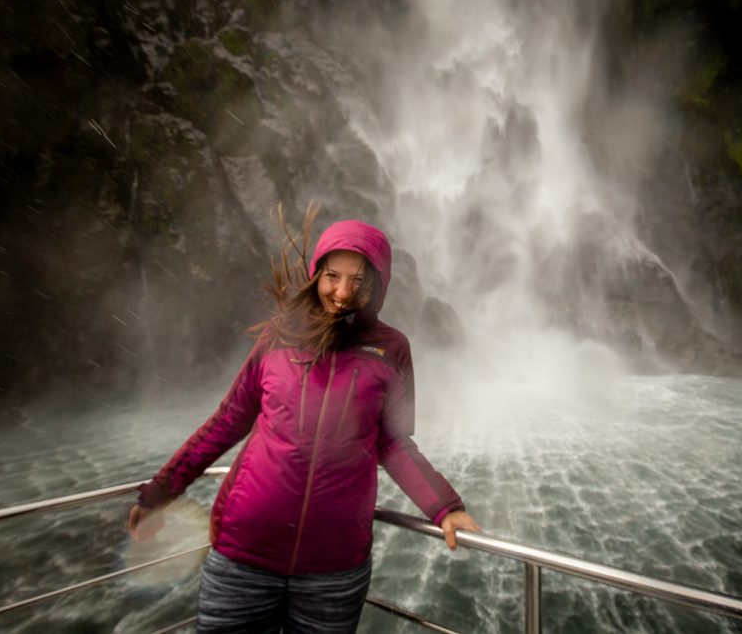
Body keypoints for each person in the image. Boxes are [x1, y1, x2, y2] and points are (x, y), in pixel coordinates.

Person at [126, 211, 481, 633]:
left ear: (379, 284)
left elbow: (394, 443)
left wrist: (445, 508)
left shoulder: (392, 349)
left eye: (359, 280)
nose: (343, 292)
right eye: (333, 276)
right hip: (243, 554)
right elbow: (228, 420)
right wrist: (161, 492)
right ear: (317, 275)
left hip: (332, 570)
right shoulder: (279, 336)